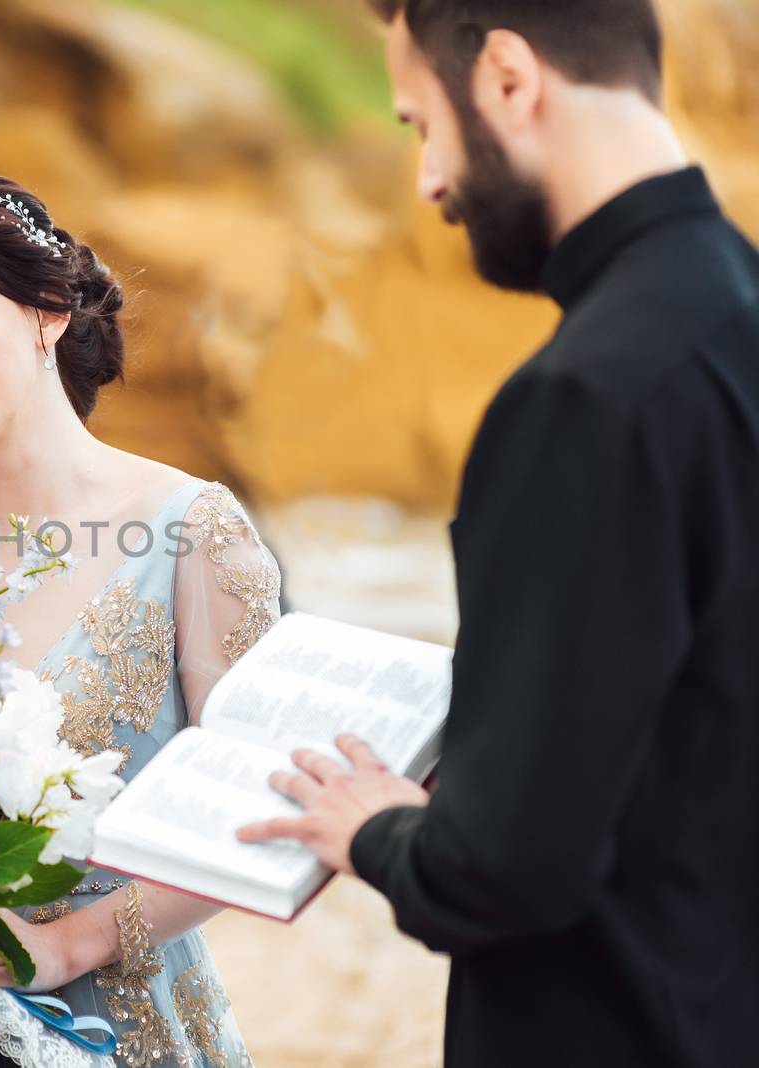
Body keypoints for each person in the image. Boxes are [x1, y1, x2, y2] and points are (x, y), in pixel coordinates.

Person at [237, 3, 759, 1067]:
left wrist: (374, 828)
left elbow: (506, 871)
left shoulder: (583, 397)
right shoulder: (735, 310)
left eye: (422, 123)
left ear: (509, 79)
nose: (428, 181)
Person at [0, 173, 282, 1068]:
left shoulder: (193, 528)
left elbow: (257, 808)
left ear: (46, 312)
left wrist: (71, 942)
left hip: (118, 1025)